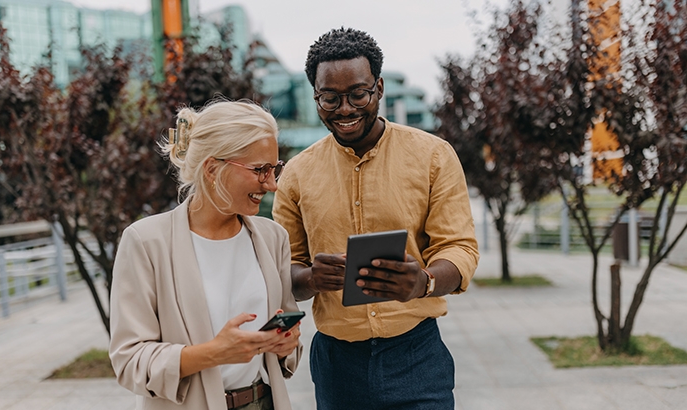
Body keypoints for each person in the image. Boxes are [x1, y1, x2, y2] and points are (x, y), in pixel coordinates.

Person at [272, 27, 479, 410]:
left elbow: (459, 247)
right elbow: (284, 268)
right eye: (330, 98)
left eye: (358, 94)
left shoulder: (434, 156)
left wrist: (425, 281)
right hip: (337, 364)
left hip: (416, 354)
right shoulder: (297, 174)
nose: (345, 109)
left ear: (379, 88)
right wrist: (311, 279)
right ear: (315, 96)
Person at [109, 100, 302, 410]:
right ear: (213, 168)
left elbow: (288, 348)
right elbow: (129, 361)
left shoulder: (272, 238)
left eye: (274, 168)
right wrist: (214, 352)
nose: (272, 184)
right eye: (260, 170)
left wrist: (285, 345)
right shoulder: (145, 242)